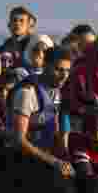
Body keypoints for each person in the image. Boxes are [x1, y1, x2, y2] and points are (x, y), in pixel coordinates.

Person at [9, 46, 74, 176]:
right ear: (45, 66)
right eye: (58, 70)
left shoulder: (57, 90)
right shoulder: (27, 93)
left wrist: (65, 159)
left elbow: (56, 129)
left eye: (67, 71)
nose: (64, 76)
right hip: (22, 159)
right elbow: (19, 140)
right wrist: (54, 162)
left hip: (46, 155)